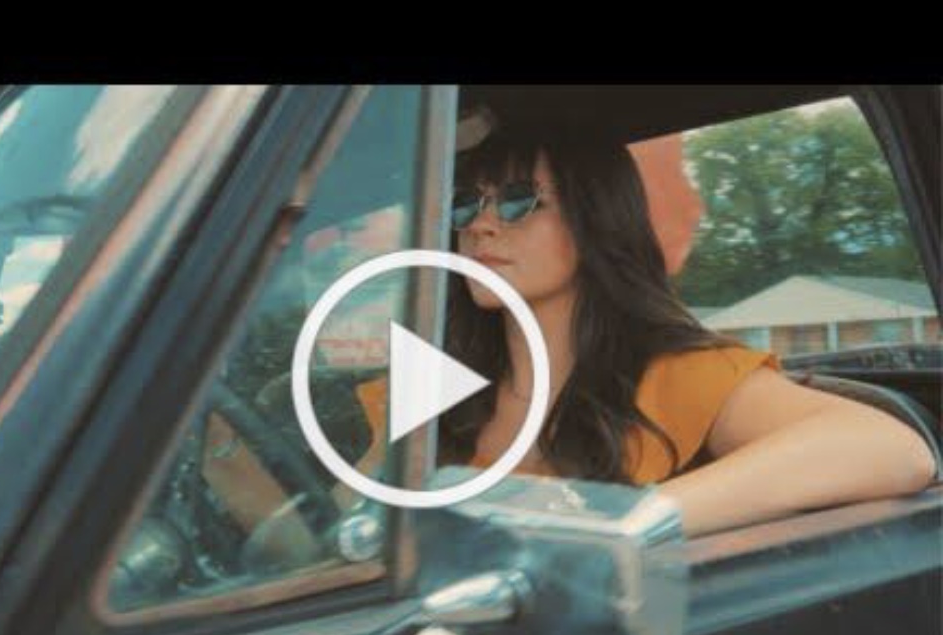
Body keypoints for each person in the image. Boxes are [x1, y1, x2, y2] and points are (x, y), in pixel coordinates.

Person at [356, 117, 937, 537]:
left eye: (516, 201)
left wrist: (615, 522)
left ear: (595, 218)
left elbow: (891, 449)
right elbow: (343, 536)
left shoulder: (674, 373)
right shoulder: (432, 382)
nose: (480, 225)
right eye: (465, 204)